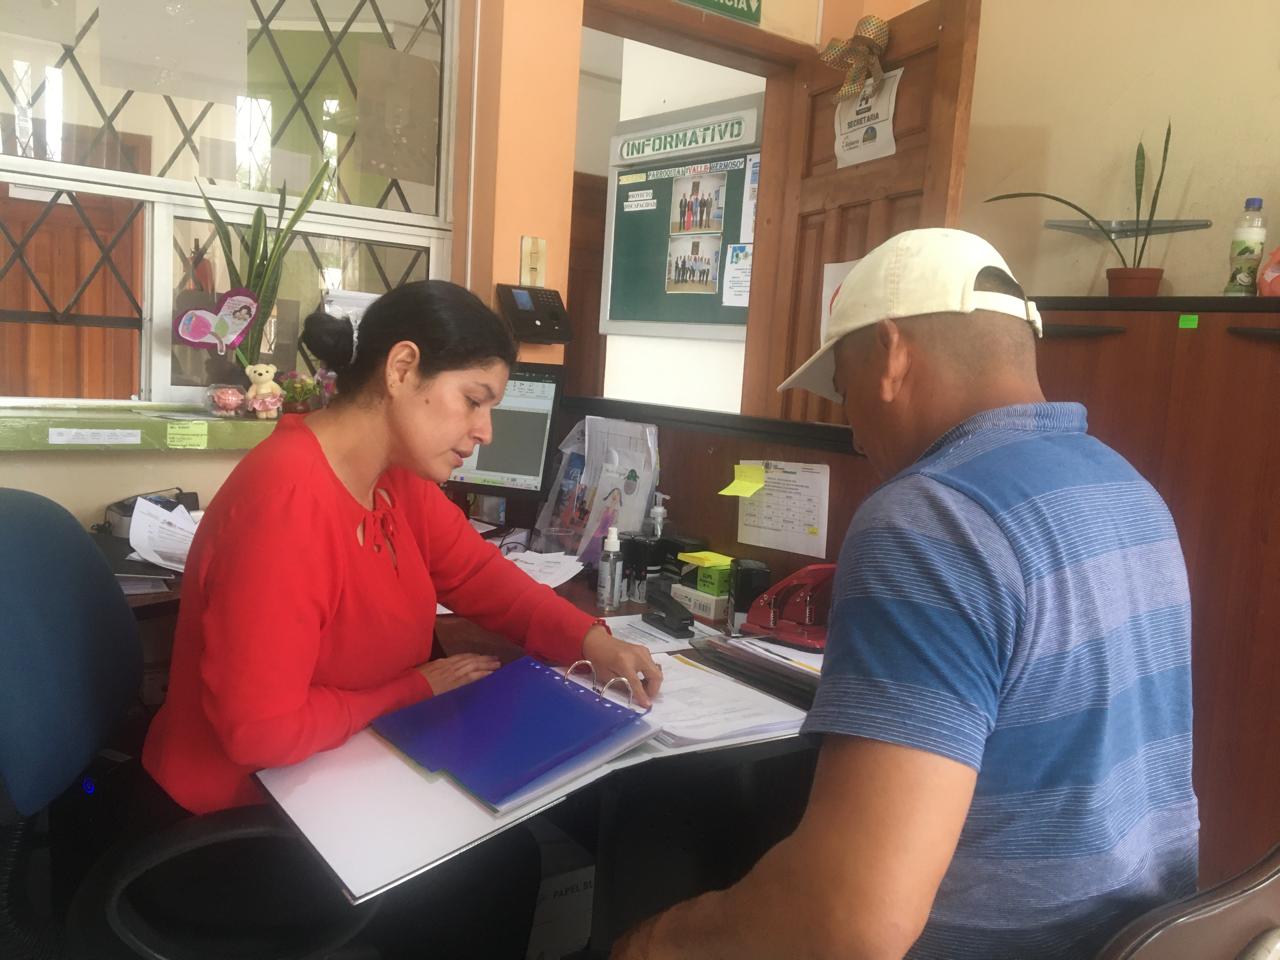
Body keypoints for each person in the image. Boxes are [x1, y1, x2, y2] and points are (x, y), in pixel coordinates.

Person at [611, 229, 1198, 960]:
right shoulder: (1128, 488)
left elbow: (846, 924)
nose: (854, 430)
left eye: (844, 388)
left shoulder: (929, 517)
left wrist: (650, 944)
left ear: (891, 355)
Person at [143, 280, 663, 956]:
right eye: (473, 400)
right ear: (401, 368)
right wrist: (413, 688)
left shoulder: (392, 480)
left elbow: (479, 577)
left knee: (505, 854)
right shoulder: (288, 503)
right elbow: (260, 733)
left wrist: (590, 638)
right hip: (237, 824)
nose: (485, 430)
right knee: (495, 873)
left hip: (330, 780)